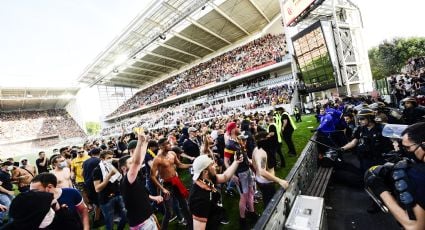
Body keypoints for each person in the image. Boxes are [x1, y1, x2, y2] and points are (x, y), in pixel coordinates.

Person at [365, 122, 425, 229]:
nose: (404, 150)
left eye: (407, 148)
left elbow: (415, 226)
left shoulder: (418, 175)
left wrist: (380, 190)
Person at [119, 132, 163, 230]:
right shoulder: (127, 181)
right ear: (124, 168)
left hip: (147, 218)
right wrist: (139, 142)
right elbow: (137, 162)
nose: (134, 164)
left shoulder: (133, 180)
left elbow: (141, 194)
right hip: (142, 224)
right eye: (131, 163)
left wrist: (146, 142)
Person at [189, 154, 243, 230]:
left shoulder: (206, 179)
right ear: (205, 172)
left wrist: (236, 162)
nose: (216, 165)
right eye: (212, 165)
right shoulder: (199, 200)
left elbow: (225, 177)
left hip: (213, 218)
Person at [150, 137, 193, 230]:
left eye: (169, 143)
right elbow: (152, 176)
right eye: (167, 143)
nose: (170, 144)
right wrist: (162, 189)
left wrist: (191, 165)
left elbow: (180, 165)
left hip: (176, 182)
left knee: (184, 205)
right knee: (169, 212)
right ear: (161, 146)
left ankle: (191, 226)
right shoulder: (157, 159)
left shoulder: (172, 153)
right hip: (167, 186)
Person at [224, 122, 257, 228]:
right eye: (236, 126)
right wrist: (232, 175)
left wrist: (251, 162)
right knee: (243, 197)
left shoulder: (237, 140)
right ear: (233, 129)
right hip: (240, 173)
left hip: (246, 170)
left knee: (251, 191)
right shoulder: (229, 144)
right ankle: (242, 220)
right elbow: (226, 161)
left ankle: (252, 213)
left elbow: (244, 154)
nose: (238, 128)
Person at [3, 191, 81, 229]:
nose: (51, 211)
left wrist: (60, 211)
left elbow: (73, 227)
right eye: (47, 208)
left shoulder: (58, 218)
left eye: (52, 206)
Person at [252, 131, 289, 207]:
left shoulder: (258, 149)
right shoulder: (261, 152)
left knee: (267, 200)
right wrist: (280, 181)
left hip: (263, 181)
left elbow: (255, 164)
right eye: (268, 138)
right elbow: (262, 171)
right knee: (270, 204)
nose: (270, 140)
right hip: (266, 183)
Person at [93, 150, 127, 230]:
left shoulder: (112, 165)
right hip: (106, 199)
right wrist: (109, 176)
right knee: (109, 222)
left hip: (118, 194)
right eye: (108, 158)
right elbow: (97, 189)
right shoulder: (97, 170)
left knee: (125, 216)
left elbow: (121, 160)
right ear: (102, 159)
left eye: (111, 158)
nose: (110, 160)